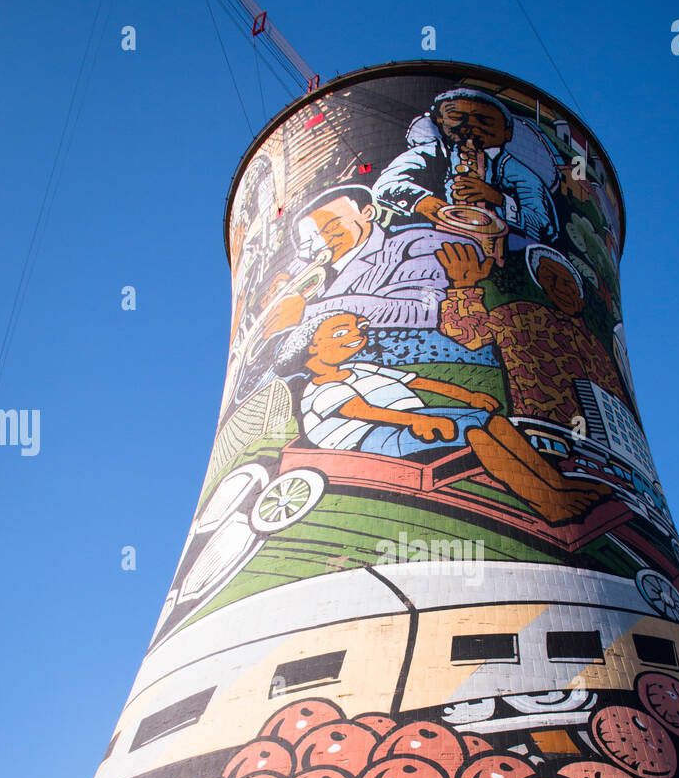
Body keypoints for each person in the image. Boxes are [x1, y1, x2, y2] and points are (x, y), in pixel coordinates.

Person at [274, 311, 609, 525]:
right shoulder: (319, 386)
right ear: (312, 348)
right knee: (476, 436)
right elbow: (361, 412)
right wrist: (415, 423)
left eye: (357, 329)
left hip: (412, 417)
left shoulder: (360, 367)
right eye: (340, 332)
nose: (357, 335)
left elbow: (418, 381)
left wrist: (468, 396)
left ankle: (558, 486)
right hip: (371, 437)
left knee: (494, 421)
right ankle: (549, 504)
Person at [437, 241, 631, 427]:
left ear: (579, 292)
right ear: (542, 285)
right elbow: (469, 334)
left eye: (566, 281)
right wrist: (464, 285)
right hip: (540, 430)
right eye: (549, 278)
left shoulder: (599, 351)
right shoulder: (526, 314)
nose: (559, 287)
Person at [259, 184, 475, 337]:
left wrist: (307, 312)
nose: (321, 244)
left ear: (367, 212)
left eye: (331, 227)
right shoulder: (315, 271)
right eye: (310, 240)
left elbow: (424, 309)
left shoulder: (415, 244)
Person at [372, 89, 560, 247]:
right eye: (456, 117)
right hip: (433, 242)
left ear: (506, 133)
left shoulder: (516, 171)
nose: (469, 127)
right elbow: (386, 184)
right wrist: (426, 203)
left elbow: (544, 226)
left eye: (484, 121)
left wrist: (498, 199)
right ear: (439, 120)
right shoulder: (431, 152)